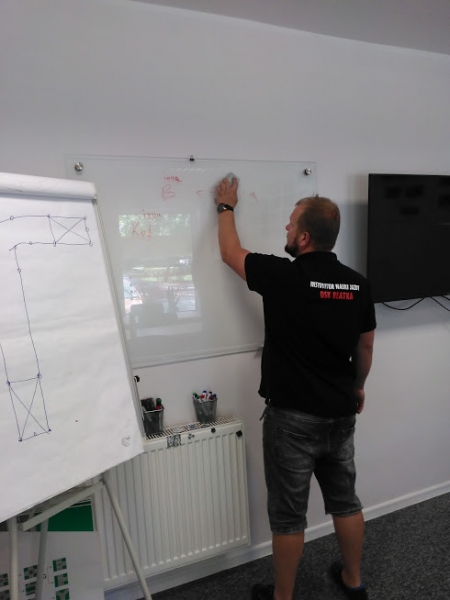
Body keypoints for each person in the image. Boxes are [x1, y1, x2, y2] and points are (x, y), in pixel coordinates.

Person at [214, 176, 376, 600]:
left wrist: (226, 208)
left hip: (292, 422)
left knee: (288, 518)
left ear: (304, 237)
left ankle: (282, 598)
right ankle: (353, 581)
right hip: (340, 412)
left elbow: (230, 252)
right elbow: (365, 346)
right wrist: (358, 388)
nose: (285, 228)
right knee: (346, 502)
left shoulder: (283, 276)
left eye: (290, 224)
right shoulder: (358, 284)